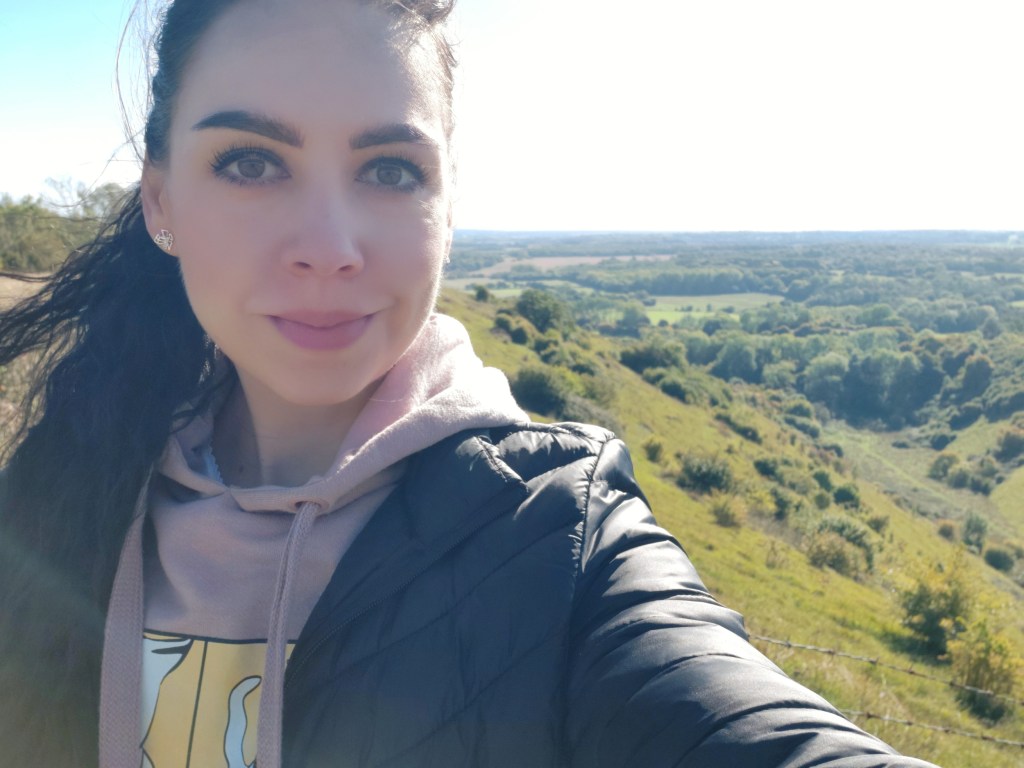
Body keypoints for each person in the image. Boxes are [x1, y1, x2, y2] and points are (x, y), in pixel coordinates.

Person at [0, 1, 942, 766]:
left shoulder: (555, 542)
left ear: (449, 207)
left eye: (389, 169)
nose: (329, 247)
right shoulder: (60, 487)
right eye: (251, 163)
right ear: (160, 200)